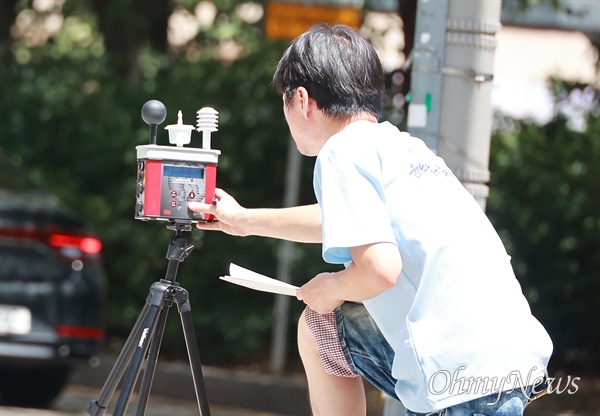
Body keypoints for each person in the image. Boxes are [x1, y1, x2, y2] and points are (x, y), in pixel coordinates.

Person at [189, 24, 552, 415]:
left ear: (302, 99)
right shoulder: (405, 148)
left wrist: (329, 288)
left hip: (456, 379)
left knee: (319, 316)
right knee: (319, 328)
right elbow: (343, 220)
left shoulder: (341, 151)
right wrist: (244, 220)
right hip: (513, 358)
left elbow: (380, 269)